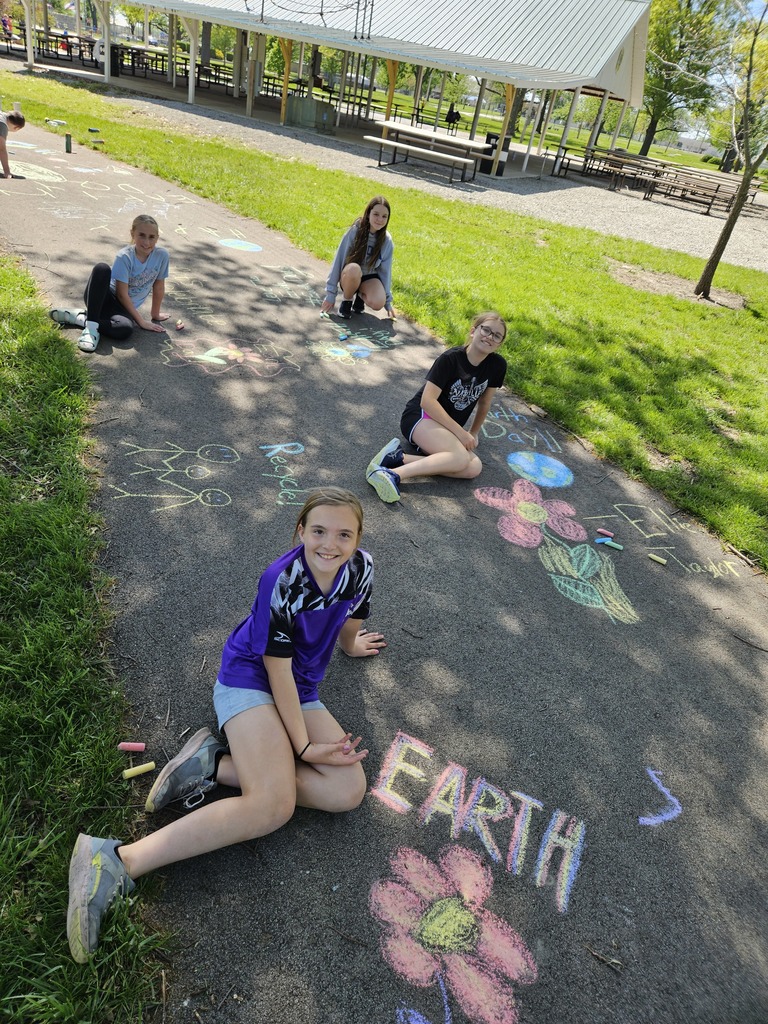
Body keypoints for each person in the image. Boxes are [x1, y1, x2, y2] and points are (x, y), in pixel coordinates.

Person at [66, 487, 386, 963]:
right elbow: (276, 668)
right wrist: (302, 749)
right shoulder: (281, 580)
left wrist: (351, 644)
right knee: (271, 806)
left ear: (357, 539)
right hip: (251, 679)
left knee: (347, 791)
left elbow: (351, 615)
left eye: (344, 534)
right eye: (318, 531)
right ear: (300, 531)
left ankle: (213, 764)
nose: (330, 544)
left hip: (301, 689)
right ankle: (115, 861)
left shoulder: (361, 567)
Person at [366, 311, 507, 503]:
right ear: (473, 331)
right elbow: (427, 401)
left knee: (473, 467)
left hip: (445, 428)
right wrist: (461, 432)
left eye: (496, 335)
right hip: (420, 417)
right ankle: (393, 474)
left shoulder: (497, 366)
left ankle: (397, 458)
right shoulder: (451, 359)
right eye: (486, 330)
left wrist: (473, 432)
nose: (489, 337)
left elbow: (485, 402)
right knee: (459, 458)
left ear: (500, 343)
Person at [49, 214, 170, 353]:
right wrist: (141, 322)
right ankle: (91, 331)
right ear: (133, 234)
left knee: (125, 330)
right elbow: (121, 294)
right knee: (102, 268)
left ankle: (82, 319)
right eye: (141, 235)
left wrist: (155, 314)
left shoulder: (162, 256)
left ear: (157, 238)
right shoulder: (125, 256)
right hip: (101, 297)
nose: (147, 242)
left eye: (151, 237)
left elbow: (159, 285)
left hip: (121, 309)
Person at [320, 196, 395, 320]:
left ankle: (360, 296)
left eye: (384, 216)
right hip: (350, 275)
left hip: (368, 277)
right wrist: (330, 295)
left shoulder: (386, 240)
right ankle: (347, 301)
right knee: (354, 269)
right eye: (376, 214)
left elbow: (385, 272)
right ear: (368, 213)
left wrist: (387, 302)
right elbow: (338, 261)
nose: (379, 219)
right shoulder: (355, 231)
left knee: (378, 302)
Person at [0, 110, 25, 179]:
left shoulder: (2, 115)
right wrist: (7, 171)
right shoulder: (2, 125)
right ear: (16, 128)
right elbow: (1, 149)